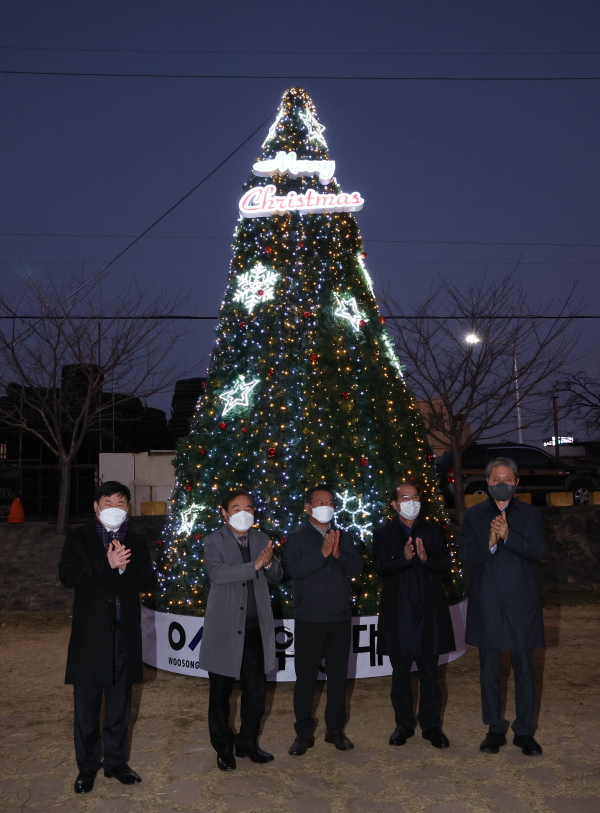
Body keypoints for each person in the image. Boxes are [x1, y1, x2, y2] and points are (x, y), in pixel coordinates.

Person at [59, 481, 157, 795]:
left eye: (121, 502)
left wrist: (125, 568)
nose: (114, 507)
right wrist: (107, 564)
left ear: (128, 507)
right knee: (86, 705)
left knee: (119, 704)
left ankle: (116, 762)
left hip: (124, 633)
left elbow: (148, 581)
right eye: (108, 501)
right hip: (90, 636)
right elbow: (68, 576)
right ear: (96, 507)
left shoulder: (136, 541)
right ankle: (87, 767)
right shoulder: (79, 538)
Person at [459, 457, 547, 756]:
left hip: (522, 603)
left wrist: (509, 536)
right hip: (487, 602)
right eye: (495, 479)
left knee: (524, 671)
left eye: (507, 479)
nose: (501, 484)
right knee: (489, 673)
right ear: (487, 482)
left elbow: (538, 551)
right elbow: (467, 556)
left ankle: (525, 731)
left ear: (517, 482)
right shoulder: (473, 516)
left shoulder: (530, 514)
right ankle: (494, 728)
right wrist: (491, 542)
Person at [199, 488, 283, 771]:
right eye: (236, 508)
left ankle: (247, 744)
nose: (243, 513)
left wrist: (269, 563)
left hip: (256, 629)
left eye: (248, 508)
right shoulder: (213, 541)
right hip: (225, 629)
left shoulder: (261, 538)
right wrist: (255, 564)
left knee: (256, 693)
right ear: (224, 513)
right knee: (221, 695)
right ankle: (223, 749)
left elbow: (277, 574)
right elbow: (218, 574)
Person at [372, 482, 455, 749]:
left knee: (431, 673)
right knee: (400, 674)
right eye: (405, 497)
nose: (411, 501)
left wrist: (425, 556)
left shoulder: (433, 530)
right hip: (399, 615)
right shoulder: (384, 533)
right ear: (395, 504)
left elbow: (445, 565)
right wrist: (404, 557)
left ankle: (432, 726)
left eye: (415, 496)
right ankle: (403, 724)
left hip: (429, 613)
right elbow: (380, 567)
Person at [284, 485, 364, 756]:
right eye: (319, 502)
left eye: (330, 501)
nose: (325, 506)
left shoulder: (343, 536)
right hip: (309, 618)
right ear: (308, 507)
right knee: (305, 679)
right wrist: (321, 555)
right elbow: (292, 570)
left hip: (340, 618)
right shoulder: (295, 538)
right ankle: (303, 734)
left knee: (339, 678)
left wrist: (338, 553)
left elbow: (358, 568)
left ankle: (335, 730)